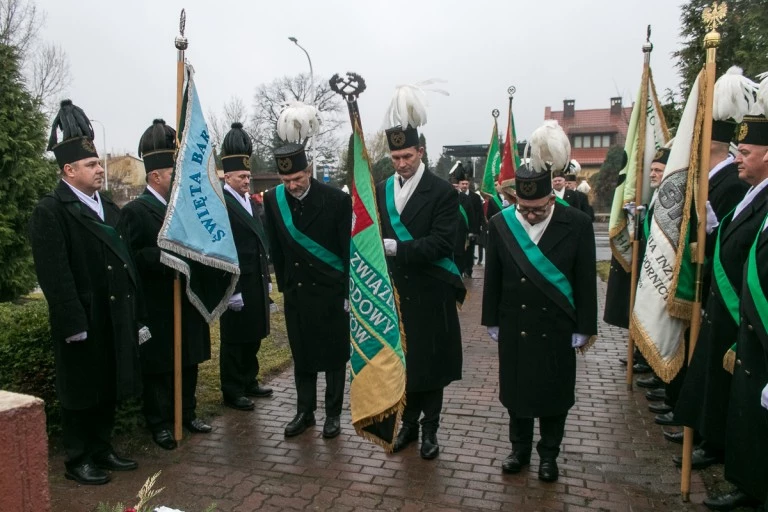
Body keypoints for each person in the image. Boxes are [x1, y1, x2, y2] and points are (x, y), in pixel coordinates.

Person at [29, 100, 141, 485]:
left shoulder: (108, 207)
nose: (99, 169)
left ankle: (101, 448)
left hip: (113, 314)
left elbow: (125, 264)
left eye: (98, 164)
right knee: (81, 389)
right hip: (83, 317)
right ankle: (78, 458)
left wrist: (134, 313)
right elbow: (54, 274)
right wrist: (71, 320)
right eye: (92, 165)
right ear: (69, 170)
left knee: (108, 383)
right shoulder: (51, 211)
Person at [482, 120, 597, 482]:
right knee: (516, 393)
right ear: (517, 199)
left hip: (557, 325)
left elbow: (584, 280)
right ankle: (519, 450)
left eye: (538, 209)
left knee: (553, 394)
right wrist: (491, 319)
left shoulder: (576, 223)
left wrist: (585, 327)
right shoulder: (502, 224)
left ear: (551, 197)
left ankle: (549, 454)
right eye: (524, 208)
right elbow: (494, 277)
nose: (530, 215)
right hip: (515, 322)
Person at [674, 111, 768, 499]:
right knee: (739, 403)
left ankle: (751, 484)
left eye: (746, 151)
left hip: (749, 318)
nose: (737, 157)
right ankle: (743, 476)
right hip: (735, 310)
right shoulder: (750, 193)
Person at [116, 119, 213, 451]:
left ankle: (187, 413)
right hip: (157, 302)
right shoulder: (135, 211)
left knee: (188, 360)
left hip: (186, 298)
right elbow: (130, 258)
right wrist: (162, 255)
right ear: (155, 176)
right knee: (159, 367)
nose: (178, 180)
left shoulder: (186, 210)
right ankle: (158, 422)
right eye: (173, 175)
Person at [376, 122, 465, 460]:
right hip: (397, 294)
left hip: (432, 291)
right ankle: (409, 426)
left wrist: (399, 249)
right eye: (396, 157)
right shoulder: (383, 188)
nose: (401, 163)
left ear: (421, 152)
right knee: (406, 364)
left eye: (408, 156)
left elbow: (443, 244)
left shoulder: (442, 191)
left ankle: (431, 431)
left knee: (433, 365)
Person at [263, 142, 351, 439]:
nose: (292, 185)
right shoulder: (274, 201)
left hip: (331, 292)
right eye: (286, 180)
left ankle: (333, 414)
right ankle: (305, 411)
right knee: (303, 354)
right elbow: (275, 247)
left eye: (298, 178)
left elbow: (346, 250)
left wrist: (348, 292)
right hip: (297, 293)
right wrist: (285, 285)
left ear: (309, 171)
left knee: (335, 356)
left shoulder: (337, 200)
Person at [219, 122, 273, 411]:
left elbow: (259, 240)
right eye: (241, 176)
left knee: (254, 333)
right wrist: (234, 288)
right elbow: (226, 248)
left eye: (248, 175)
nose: (246, 180)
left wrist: (266, 277)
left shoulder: (249, 202)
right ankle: (232, 388)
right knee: (234, 339)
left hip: (255, 277)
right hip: (236, 279)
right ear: (227, 176)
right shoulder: (223, 203)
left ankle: (250, 379)